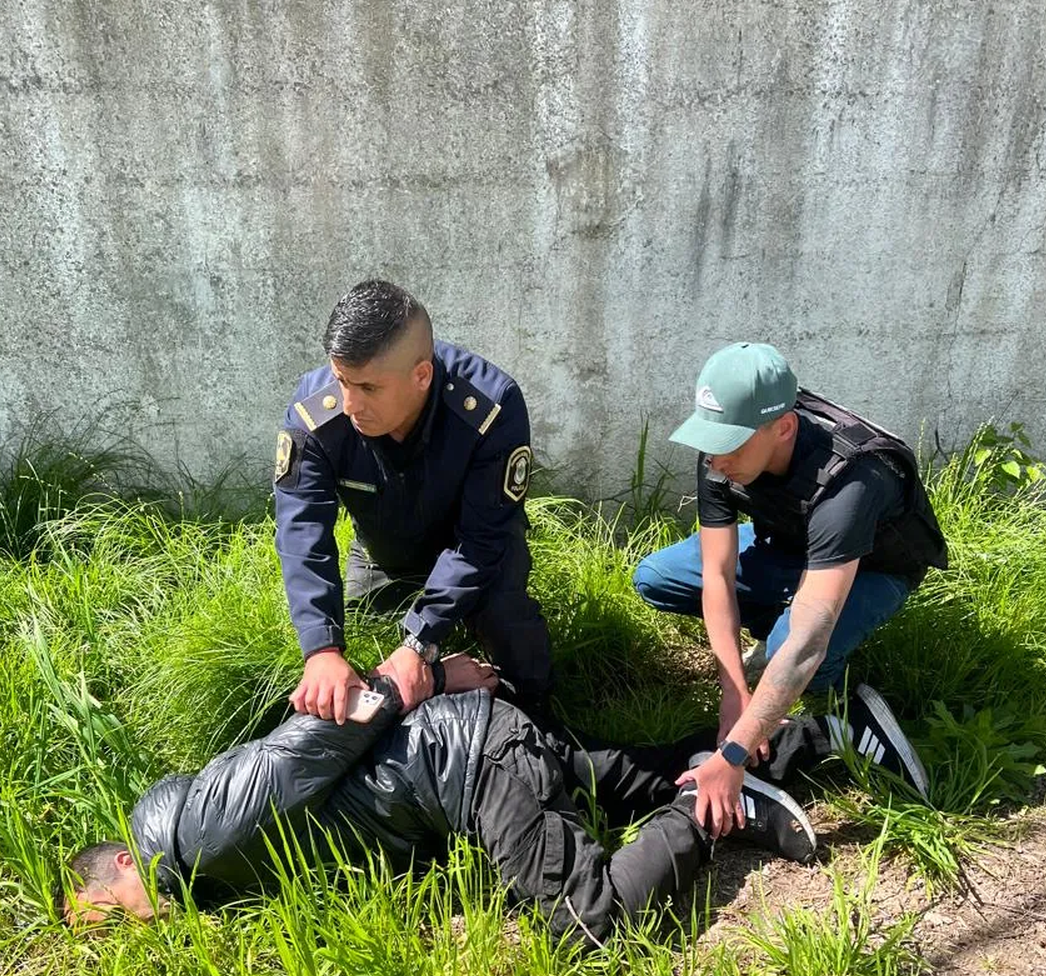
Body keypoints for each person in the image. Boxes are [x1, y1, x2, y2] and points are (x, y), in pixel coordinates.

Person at [57, 657, 929, 944]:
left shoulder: (195, 838)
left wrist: (432, 677)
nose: (127, 929)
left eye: (110, 912)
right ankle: (831, 735)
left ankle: (712, 811)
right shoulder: (206, 873)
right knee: (608, 777)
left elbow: (320, 735)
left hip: (464, 761)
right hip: (462, 761)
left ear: (124, 862)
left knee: (587, 923)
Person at [633, 342, 947, 836]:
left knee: (793, 648)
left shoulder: (850, 480)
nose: (715, 460)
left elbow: (807, 642)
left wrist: (732, 754)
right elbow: (717, 574)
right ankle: (778, 632)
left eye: (730, 445)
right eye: (710, 441)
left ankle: (847, 710)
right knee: (656, 577)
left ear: (782, 427)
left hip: (872, 569)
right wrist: (735, 692)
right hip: (787, 544)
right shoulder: (724, 448)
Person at [274, 279, 554, 722]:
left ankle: (524, 722)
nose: (350, 404)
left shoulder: (489, 408)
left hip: (476, 551)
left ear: (421, 375)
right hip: (384, 554)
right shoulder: (315, 415)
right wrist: (321, 648)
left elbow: (483, 538)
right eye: (342, 381)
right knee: (354, 666)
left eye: (369, 388)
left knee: (514, 642)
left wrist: (419, 641)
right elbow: (301, 533)